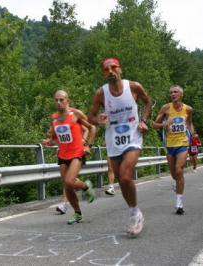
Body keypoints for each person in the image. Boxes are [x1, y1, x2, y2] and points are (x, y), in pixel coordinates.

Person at [88, 58, 152, 235]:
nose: (110, 71)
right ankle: (135, 211)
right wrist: (98, 120)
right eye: (106, 69)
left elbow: (148, 102)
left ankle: (134, 214)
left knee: (124, 177)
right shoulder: (101, 93)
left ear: (120, 69)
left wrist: (144, 121)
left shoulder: (133, 87)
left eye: (113, 68)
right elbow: (90, 117)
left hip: (133, 137)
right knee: (121, 182)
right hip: (113, 141)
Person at [42, 90, 96, 224]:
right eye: (56, 100)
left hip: (77, 153)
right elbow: (55, 138)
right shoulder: (54, 118)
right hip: (63, 154)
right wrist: (48, 143)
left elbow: (92, 128)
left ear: (68, 101)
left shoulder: (75, 114)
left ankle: (85, 187)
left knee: (70, 181)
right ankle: (78, 213)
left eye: (61, 100)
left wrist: (88, 146)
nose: (58, 102)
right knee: (67, 186)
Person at [152, 85, 196, 215]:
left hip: (182, 143)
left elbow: (189, 123)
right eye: (171, 92)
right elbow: (154, 125)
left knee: (179, 169)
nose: (173, 94)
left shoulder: (188, 109)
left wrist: (193, 133)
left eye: (175, 92)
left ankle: (179, 203)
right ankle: (177, 182)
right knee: (174, 174)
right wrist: (164, 124)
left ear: (181, 94)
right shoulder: (166, 108)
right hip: (169, 144)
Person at [55, 125, 89, 214]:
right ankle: (84, 186)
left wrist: (84, 140)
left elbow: (87, 129)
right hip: (64, 153)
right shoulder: (57, 119)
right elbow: (52, 133)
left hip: (76, 152)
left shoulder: (74, 116)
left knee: (68, 181)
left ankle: (64, 204)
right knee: (67, 181)